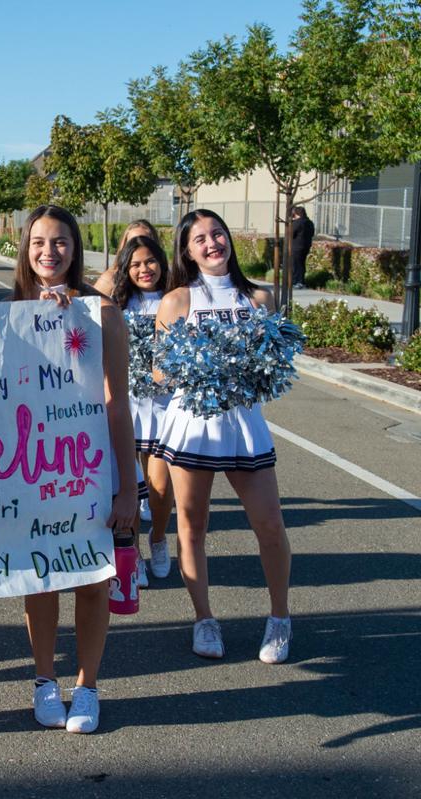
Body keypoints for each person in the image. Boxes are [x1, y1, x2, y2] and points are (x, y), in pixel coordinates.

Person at [10, 205, 139, 734]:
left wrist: (128, 489)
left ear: (75, 247)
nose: (49, 252)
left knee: (91, 580)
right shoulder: (5, 312)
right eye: (39, 241)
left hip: (89, 469)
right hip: (27, 469)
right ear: (25, 248)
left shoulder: (102, 312)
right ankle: (45, 681)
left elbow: (117, 403)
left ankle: (86, 686)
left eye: (60, 241)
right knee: (40, 578)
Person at [153, 209, 293, 664]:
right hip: (193, 425)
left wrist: (245, 369)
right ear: (188, 251)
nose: (212, 243)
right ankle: (204, 619)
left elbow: (275, 362)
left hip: (244, 426)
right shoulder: (176, 299)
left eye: (217, 234)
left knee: (269, 524)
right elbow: (158, 371)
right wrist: (199, 364)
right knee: (192, 527)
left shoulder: (259, 297)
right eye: (200, 239)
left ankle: (280, 617)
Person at [106, 234, 174, 587]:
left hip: (165, 406)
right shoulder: (115, 303)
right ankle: (133, 555)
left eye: (150, 262)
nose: (144, 269)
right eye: (135, 264)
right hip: (126, 405)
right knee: (128, 484)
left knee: (161, 487)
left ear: (161, 263)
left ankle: (159, 538)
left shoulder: (176, 300)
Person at [289, 206, 314, 290]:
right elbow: (312, 233)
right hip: (306, 246)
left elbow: (291, 234)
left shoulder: (297, 223)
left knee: (296, 264)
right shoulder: (309, 222)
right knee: (301, 264)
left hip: (297, 246)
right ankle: (301, 281)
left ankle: (297, 281)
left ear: (296, 213)